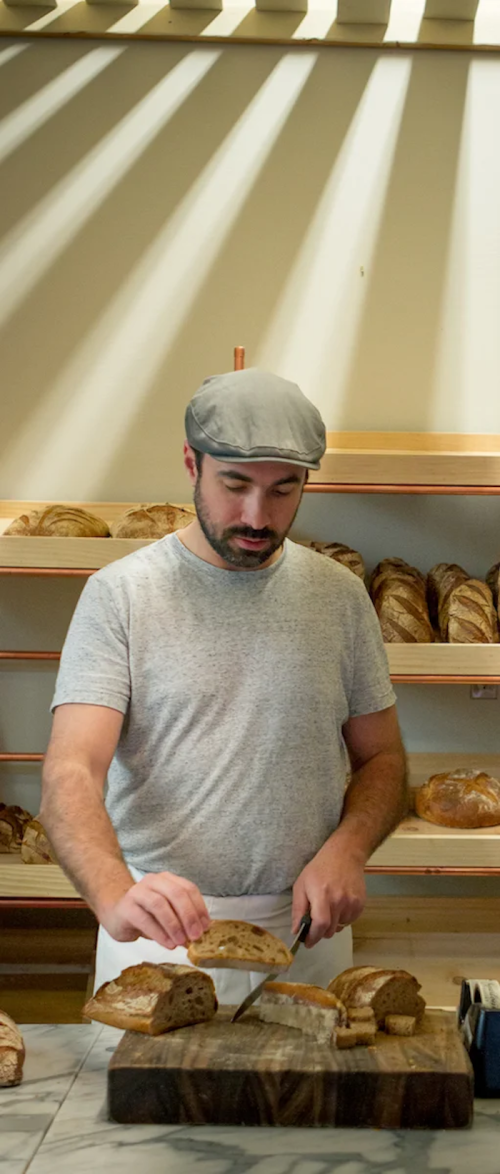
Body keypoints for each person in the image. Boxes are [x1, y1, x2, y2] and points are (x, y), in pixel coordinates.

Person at [40, 368, 408, 1001]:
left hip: (305, 933)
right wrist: (114, 894)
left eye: (283, 491)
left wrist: (348, 847)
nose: (256, 516)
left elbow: (384, 758)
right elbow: (69, 772)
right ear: (191, 462)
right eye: (234, 485)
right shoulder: (120, 597)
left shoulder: (340, 598)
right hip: (160, 934)